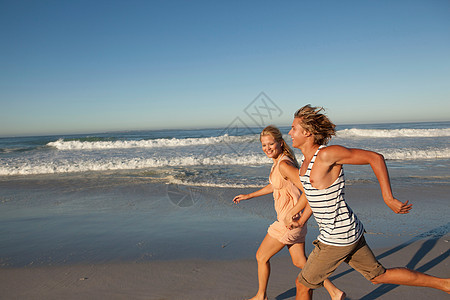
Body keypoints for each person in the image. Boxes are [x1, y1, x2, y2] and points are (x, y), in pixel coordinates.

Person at [285, 104, 450, 300]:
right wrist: (301, 220)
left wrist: (388, 198)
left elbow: (375, 158)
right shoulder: (305, 163)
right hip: (347, 231)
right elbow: (315, 198)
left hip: (336, 238)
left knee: (302, 285)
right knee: (378, 276)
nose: (290, 132)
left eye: (294, 128)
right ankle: (446, 284)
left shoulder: (327, 155)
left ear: (307, 132)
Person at [233, 125, 345, 300]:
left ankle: (261, 296)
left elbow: (307, 189)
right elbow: (275, 185)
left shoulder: (284, 164)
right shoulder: (279, 163)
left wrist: (292, 212)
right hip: (295, 222)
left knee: (261, 256)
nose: (267, 148)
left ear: (280, 142)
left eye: (271, 144)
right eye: (264, 145)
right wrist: (249, 195)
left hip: (288, 222)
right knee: (300, 262)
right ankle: (334, 292)